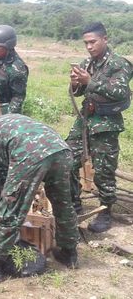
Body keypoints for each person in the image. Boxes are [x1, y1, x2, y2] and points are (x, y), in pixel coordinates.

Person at [0, 114, 80, 283]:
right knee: (63, 204)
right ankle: (69, 252)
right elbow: (4, 171)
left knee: (10, 212)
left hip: (31, 154)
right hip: (61, 150)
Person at [66, 22, 133, 233]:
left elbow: (121, 92)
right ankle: (74, 204)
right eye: (86, 43)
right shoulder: (87, 63)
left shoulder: (118, 64)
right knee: (66, 159)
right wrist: (76, 83)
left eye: (93, 42)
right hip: (85, 120)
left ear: (105, 39)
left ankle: (105, 211)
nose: (89, 47)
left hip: (106, 123)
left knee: (104, 170)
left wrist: (91, 81)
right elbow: (78, 92)